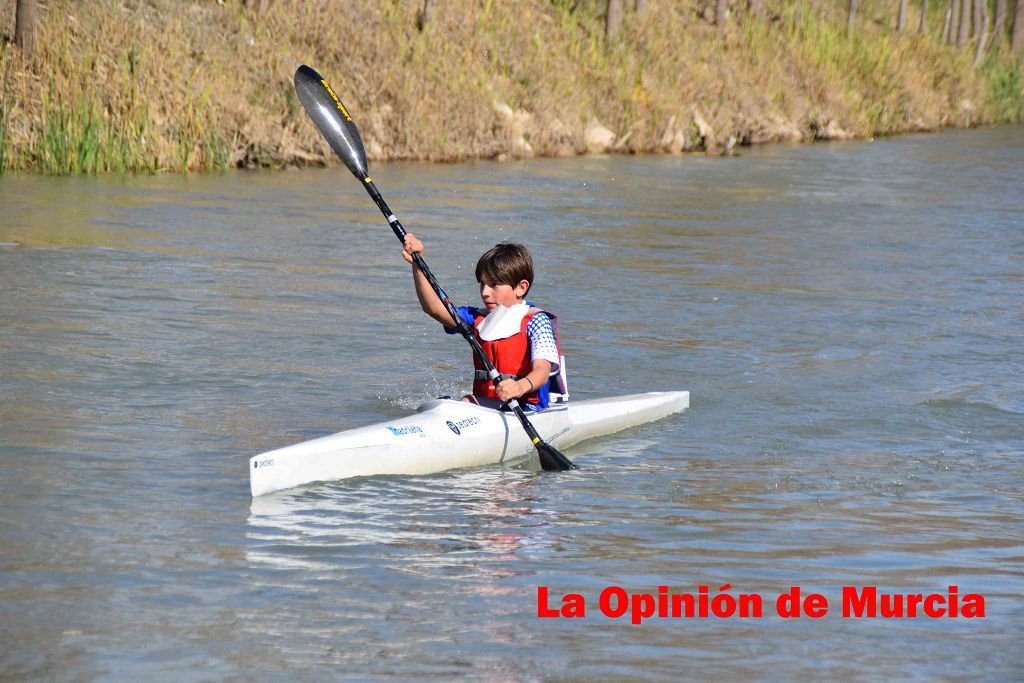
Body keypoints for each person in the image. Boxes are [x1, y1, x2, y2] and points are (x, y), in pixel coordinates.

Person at [402, 234, 565, 410]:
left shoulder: (537, 321)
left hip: (528, 409)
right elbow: (434, 308)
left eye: (494, 284)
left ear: (521, 287)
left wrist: (520, 386)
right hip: (486, 407)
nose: (485, 292)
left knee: (466, 402)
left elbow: (542, 371)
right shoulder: (477, 318)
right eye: (482, 284)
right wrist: (418, 265)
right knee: (452, 403)